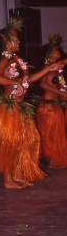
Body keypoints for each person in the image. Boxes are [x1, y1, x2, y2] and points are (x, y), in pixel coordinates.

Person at [0, 18, 63, 189]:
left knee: (21, 143)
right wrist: (16, 83)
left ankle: (16, 175)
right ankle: (8, 180)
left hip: (19, 108)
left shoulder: (16, 60)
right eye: (16, 38)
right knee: (10, 144)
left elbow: (28, 79)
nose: (19, 40)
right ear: (6, 41)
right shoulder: (4, 60)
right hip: (9, 108)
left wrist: (47, 69)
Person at [35, 34, 67, 168]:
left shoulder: (57, 68)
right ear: (49, 53)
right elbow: (42, 84)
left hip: (55, 106)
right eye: (55, 49)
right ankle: (52, 160)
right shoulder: (47, 67)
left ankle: (55, 160)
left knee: (57, 134)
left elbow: (59, 84)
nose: (58, 50)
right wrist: (60, 92)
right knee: (51, 135)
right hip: (47, 107)